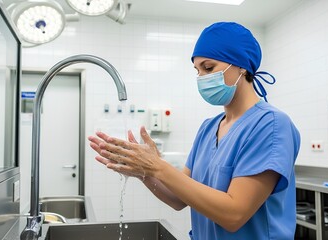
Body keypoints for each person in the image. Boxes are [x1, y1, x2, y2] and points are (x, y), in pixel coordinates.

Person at [88, 22, 301, 240]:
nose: (201, 78)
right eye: (197, 71)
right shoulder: (209, 128)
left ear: (242, 65)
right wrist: (144, 172)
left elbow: (234, 214)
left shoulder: (271, 125)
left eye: (208, 68)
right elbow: (178, 199)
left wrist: (158, 166)